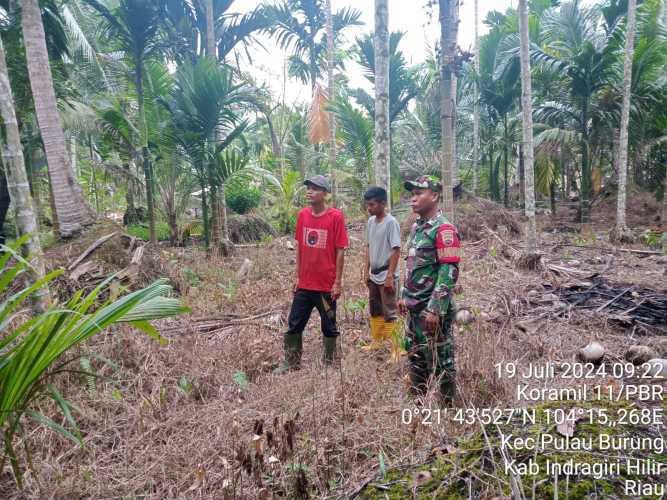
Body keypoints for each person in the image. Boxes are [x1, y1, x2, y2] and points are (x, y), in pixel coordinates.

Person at [274, 175, 349, 373]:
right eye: (308, 187)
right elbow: (299, 247)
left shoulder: (336, 217)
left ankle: (330, 362)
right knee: (294, 323)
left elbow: (340, 250)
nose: (310, 191)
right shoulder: (303, 215)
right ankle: (291, 361)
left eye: (315, 188)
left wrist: (338, 282)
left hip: (326, 287)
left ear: (325, 194)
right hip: (305, 285)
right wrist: (297, 277)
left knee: (329, 325)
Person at [398, 175, 461, 404]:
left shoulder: (444, 229)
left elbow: (449, 271)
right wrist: (404, 296)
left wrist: (435, 309)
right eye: (411, 194)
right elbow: (412, 264)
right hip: (414, 309)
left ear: (434, 196)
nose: (412, 199)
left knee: (441, 360)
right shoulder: (417, 228)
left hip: (431, 312)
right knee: (416, 356)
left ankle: (449, 409)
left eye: (418, 193)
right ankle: (418, 405)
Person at [361, 187, 401, 351]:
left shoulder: (391, 223)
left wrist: (390, 276)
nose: (369, 208)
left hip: (387, 274)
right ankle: (377, 341)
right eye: (368, 205)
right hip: (374, 274)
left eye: (372, 205)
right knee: (375, 308)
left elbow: (396, 250)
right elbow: (368, 247)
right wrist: (366, 271)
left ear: (382, 203)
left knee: (390, 311)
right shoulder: (370, 222)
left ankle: (396, 348)